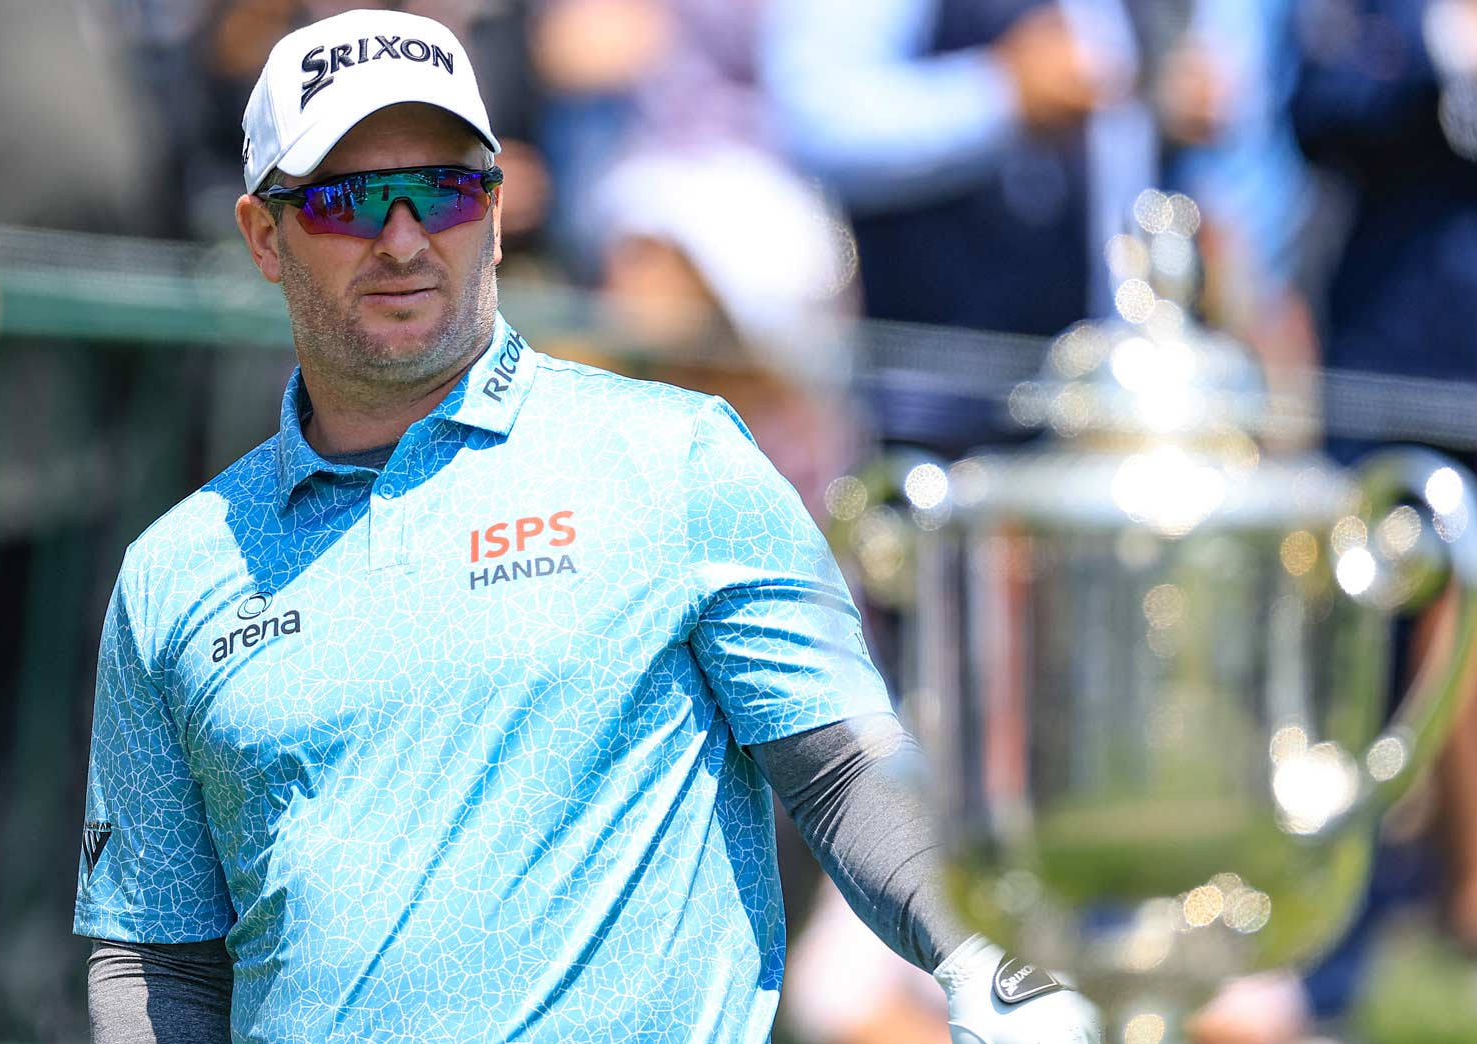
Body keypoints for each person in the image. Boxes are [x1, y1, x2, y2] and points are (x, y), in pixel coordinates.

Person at [73, 10, 1101, 1043]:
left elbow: (839, 771)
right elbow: (153, 952)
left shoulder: (678, 459)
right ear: (262, 235)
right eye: (346, 202)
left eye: (442, 190)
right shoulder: (174, 572)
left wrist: (988, 957)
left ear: (497, 210)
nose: (401, 238)